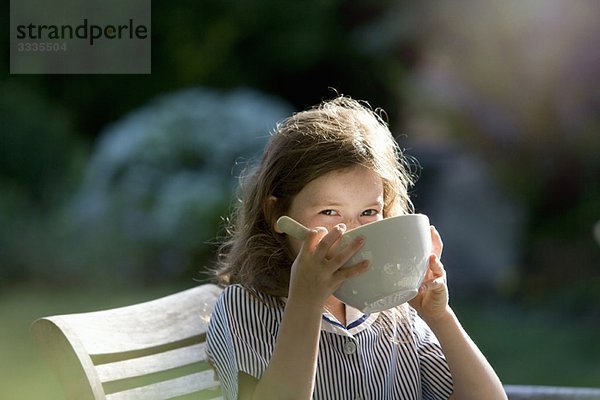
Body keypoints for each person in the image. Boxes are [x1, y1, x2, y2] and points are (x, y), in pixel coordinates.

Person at [206, 96, 507, 400]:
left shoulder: (396, 312)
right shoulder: (243, 308)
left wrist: (440, 317)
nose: (353, 233)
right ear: (276, 214)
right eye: (329, 213)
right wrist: (306, 303)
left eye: (368, 213)